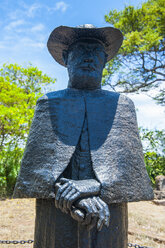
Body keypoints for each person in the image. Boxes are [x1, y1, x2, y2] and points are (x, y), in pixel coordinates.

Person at [14, 25, 153, 248]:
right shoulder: (49, 103)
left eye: (96, 52)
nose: (89, 58)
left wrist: (92, 187)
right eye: (81, 51)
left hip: (109, 210)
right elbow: (35, 173)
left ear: (105, 61)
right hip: (56, 210)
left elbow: (131, 173)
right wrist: (71, 194)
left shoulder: (121, 105)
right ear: (67, 58)